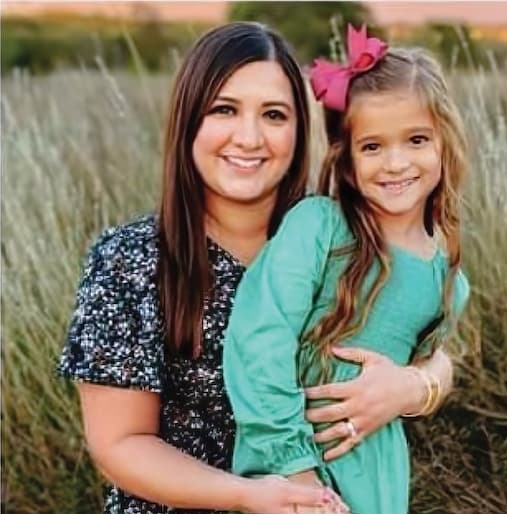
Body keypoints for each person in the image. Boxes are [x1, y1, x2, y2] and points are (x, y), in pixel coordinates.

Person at [57, 21, 455, 514]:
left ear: (300, 130)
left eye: (273, 114)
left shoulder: (336, 232)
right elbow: (120, 444)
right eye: (224, 109)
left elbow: (424, 334)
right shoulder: (131, 260)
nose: (249, 137)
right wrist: (254, 495)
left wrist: (415, 386)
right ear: (188, 121)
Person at [223, 25, 470, 514]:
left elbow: (426, 370)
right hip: (289, 473)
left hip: (376, 478)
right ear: (348, 160)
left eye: (416, 139)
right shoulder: (319, 228)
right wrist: (298, 473)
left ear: (445, 142)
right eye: (373, 146)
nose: (396, 163)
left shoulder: (449, 280)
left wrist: (412, 388)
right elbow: (258, 341)